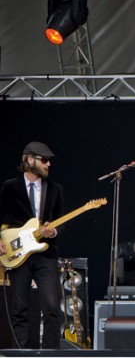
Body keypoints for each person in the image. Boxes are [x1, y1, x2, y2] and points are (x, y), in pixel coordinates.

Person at [0, 142, 64, 349]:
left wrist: (53, 231)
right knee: (19, 308)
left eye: (49, 161)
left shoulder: (55, 189)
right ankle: (21, 353)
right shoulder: (9, 187)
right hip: (18, 254)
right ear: (29, 160)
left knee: (52, 307)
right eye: (44, 160)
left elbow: (60, 221)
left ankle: (50, 353)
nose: (48, 164)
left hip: (46, 254)